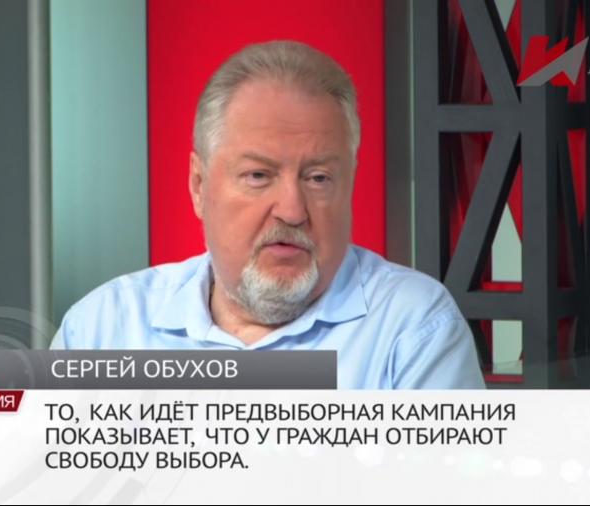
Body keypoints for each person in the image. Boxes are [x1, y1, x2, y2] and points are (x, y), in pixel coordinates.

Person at [51, 40, 485, 389]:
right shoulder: (102, 330)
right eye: (258, 176)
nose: (292, 211)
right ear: (199, 186)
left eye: (318, 178)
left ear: (349, 183)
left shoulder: (413, 329)